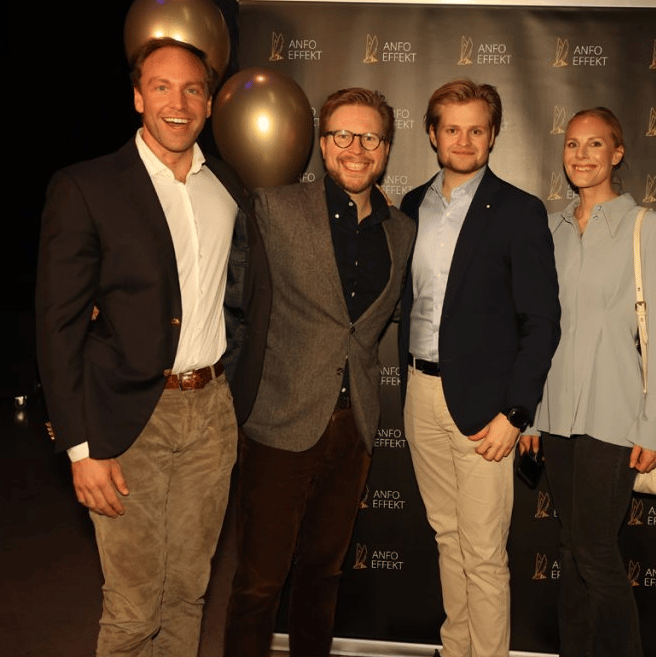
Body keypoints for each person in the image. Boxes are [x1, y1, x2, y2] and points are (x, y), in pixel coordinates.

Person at [35, 38, 270, 656]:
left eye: (193, 88)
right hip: (128, 419)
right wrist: (81, 446)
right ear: (138, 97)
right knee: (135, 606)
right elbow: (57, 326)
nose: (178, 101)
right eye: (161, 87)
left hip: (212, 414)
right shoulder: (86, 186)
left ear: (210, 103)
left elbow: (242, 294)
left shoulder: (228, 184)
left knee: (188, 593)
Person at [223, 87, 416, 657]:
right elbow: (237, 305)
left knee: (324, 575)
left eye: (371, 137)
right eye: (342, 135)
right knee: (259, 583)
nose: (356, 148)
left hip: (353, 425)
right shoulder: (274, 208)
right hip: (279, 422)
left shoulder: (401, 232)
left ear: (386, 148)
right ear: (322, 143)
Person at [398, 79, 561, 657]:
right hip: (419, 393)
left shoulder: (519, 211)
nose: (463, 140)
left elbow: (541, 321)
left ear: (493, 136)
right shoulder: (412, 205)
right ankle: (456, 648)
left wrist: (516, 413)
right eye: (451, 128)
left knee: (485, 553)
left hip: (487, 407)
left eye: (476, 129)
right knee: (447, 538)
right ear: (433, 134)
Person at [519, 107, 656, 656]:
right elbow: (540, 330)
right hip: (558, 413)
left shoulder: (649, 228)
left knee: (594, 551)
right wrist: (533, 415)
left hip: (615, 416)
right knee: (569, 548)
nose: (581, 155)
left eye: (595, 145)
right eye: (573, 144)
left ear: (617, 154)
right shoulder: (550, 230)